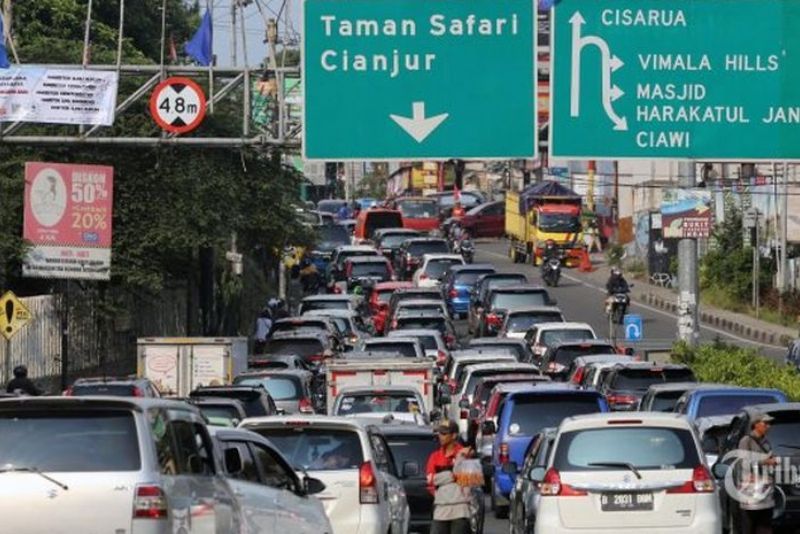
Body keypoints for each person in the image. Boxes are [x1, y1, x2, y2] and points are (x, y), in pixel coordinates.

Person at [425, 420, 472, 534]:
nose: (441, 436)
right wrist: (453, 475)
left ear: (454, 435)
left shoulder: (466, 454)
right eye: (439, 433)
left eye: (444, 433)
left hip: (460, 510)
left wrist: (440, 479)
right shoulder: (434, 456)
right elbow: (430, 480)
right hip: (441, 508)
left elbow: (470, 481)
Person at [737, 412, 778, 534]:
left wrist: (773, 462)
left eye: (769, 423)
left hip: (765, 488)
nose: (768, 426)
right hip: (751, 490)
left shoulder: (766, 442)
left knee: (765, 525)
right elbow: (743, 462)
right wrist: (766, 461)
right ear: (756, 424)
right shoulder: (746, 441)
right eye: (765, 423)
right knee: (749, 525)